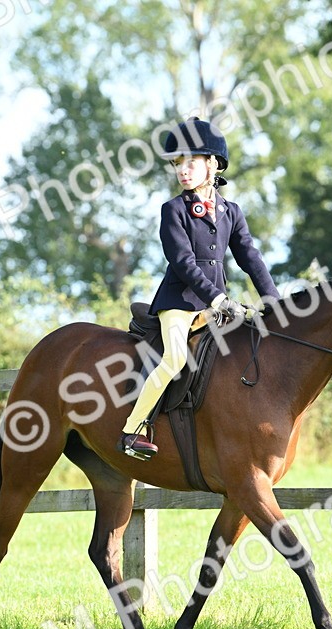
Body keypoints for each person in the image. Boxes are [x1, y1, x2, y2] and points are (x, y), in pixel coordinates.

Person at [119, 118, 281, 460]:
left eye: (190, 162)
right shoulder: (173, 210)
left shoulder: (231, 212)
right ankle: (132, 430)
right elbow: (183, 263)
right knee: (176, 358)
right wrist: (219, 298)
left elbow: (249, 257)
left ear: (213, 164)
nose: (182, 170)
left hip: (214, 308)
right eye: (177, 164)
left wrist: (273, 300)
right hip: (179, 303)